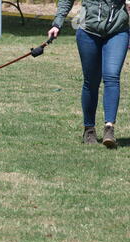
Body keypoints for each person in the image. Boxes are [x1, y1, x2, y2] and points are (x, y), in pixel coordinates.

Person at [48, 0, 129, 148]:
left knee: (112, 76)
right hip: (88, 30)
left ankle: (109, 128)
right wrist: (57, 23)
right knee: (91, 81)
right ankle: (89, 129)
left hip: (118, 30)